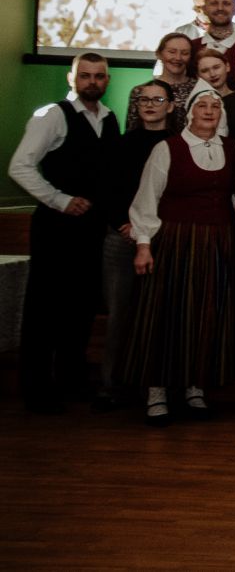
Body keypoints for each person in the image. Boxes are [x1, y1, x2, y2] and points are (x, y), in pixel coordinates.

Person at [9, 52, 120, 413]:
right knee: (46, 307)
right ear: (72, 79)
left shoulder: (109, 118)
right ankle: (37, 388)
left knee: (81, 305)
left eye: (99, 76)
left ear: (107, 80)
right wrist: (59, 199)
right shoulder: (52, 115)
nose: (92, 82)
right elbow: (19, 166)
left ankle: (72, 380)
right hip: (56, 227)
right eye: (85, 75)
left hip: (91, 229)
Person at [125, 86, 235, 425]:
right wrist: (144, 244)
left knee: (206, 314)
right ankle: (156, 391)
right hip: (175, 241)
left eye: (214, 106)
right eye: (202, 105)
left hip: (216, 241)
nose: (209, 111)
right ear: (189, 112)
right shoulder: (167, 149)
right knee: (166, 314)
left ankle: (194, 387)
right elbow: (147, 198)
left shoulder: (232, 148)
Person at [95, 80, 177, 411]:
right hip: (122, 238)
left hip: (161, 238)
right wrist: (125, 224)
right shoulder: (121, 143)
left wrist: (150, 229)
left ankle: (156, 387)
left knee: (160, 317)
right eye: (144, 100)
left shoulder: (177, 144)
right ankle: (111, 386)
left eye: (158, 99)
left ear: (170, 106)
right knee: (120, 316)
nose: (150, 105)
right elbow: (106, 189)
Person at [130, 32, 196, 122]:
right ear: (159, 54)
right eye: (172, 52)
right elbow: (133, 127)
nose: (178, 58)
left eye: (185, 53)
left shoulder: (199, 89)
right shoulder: (140, 91)